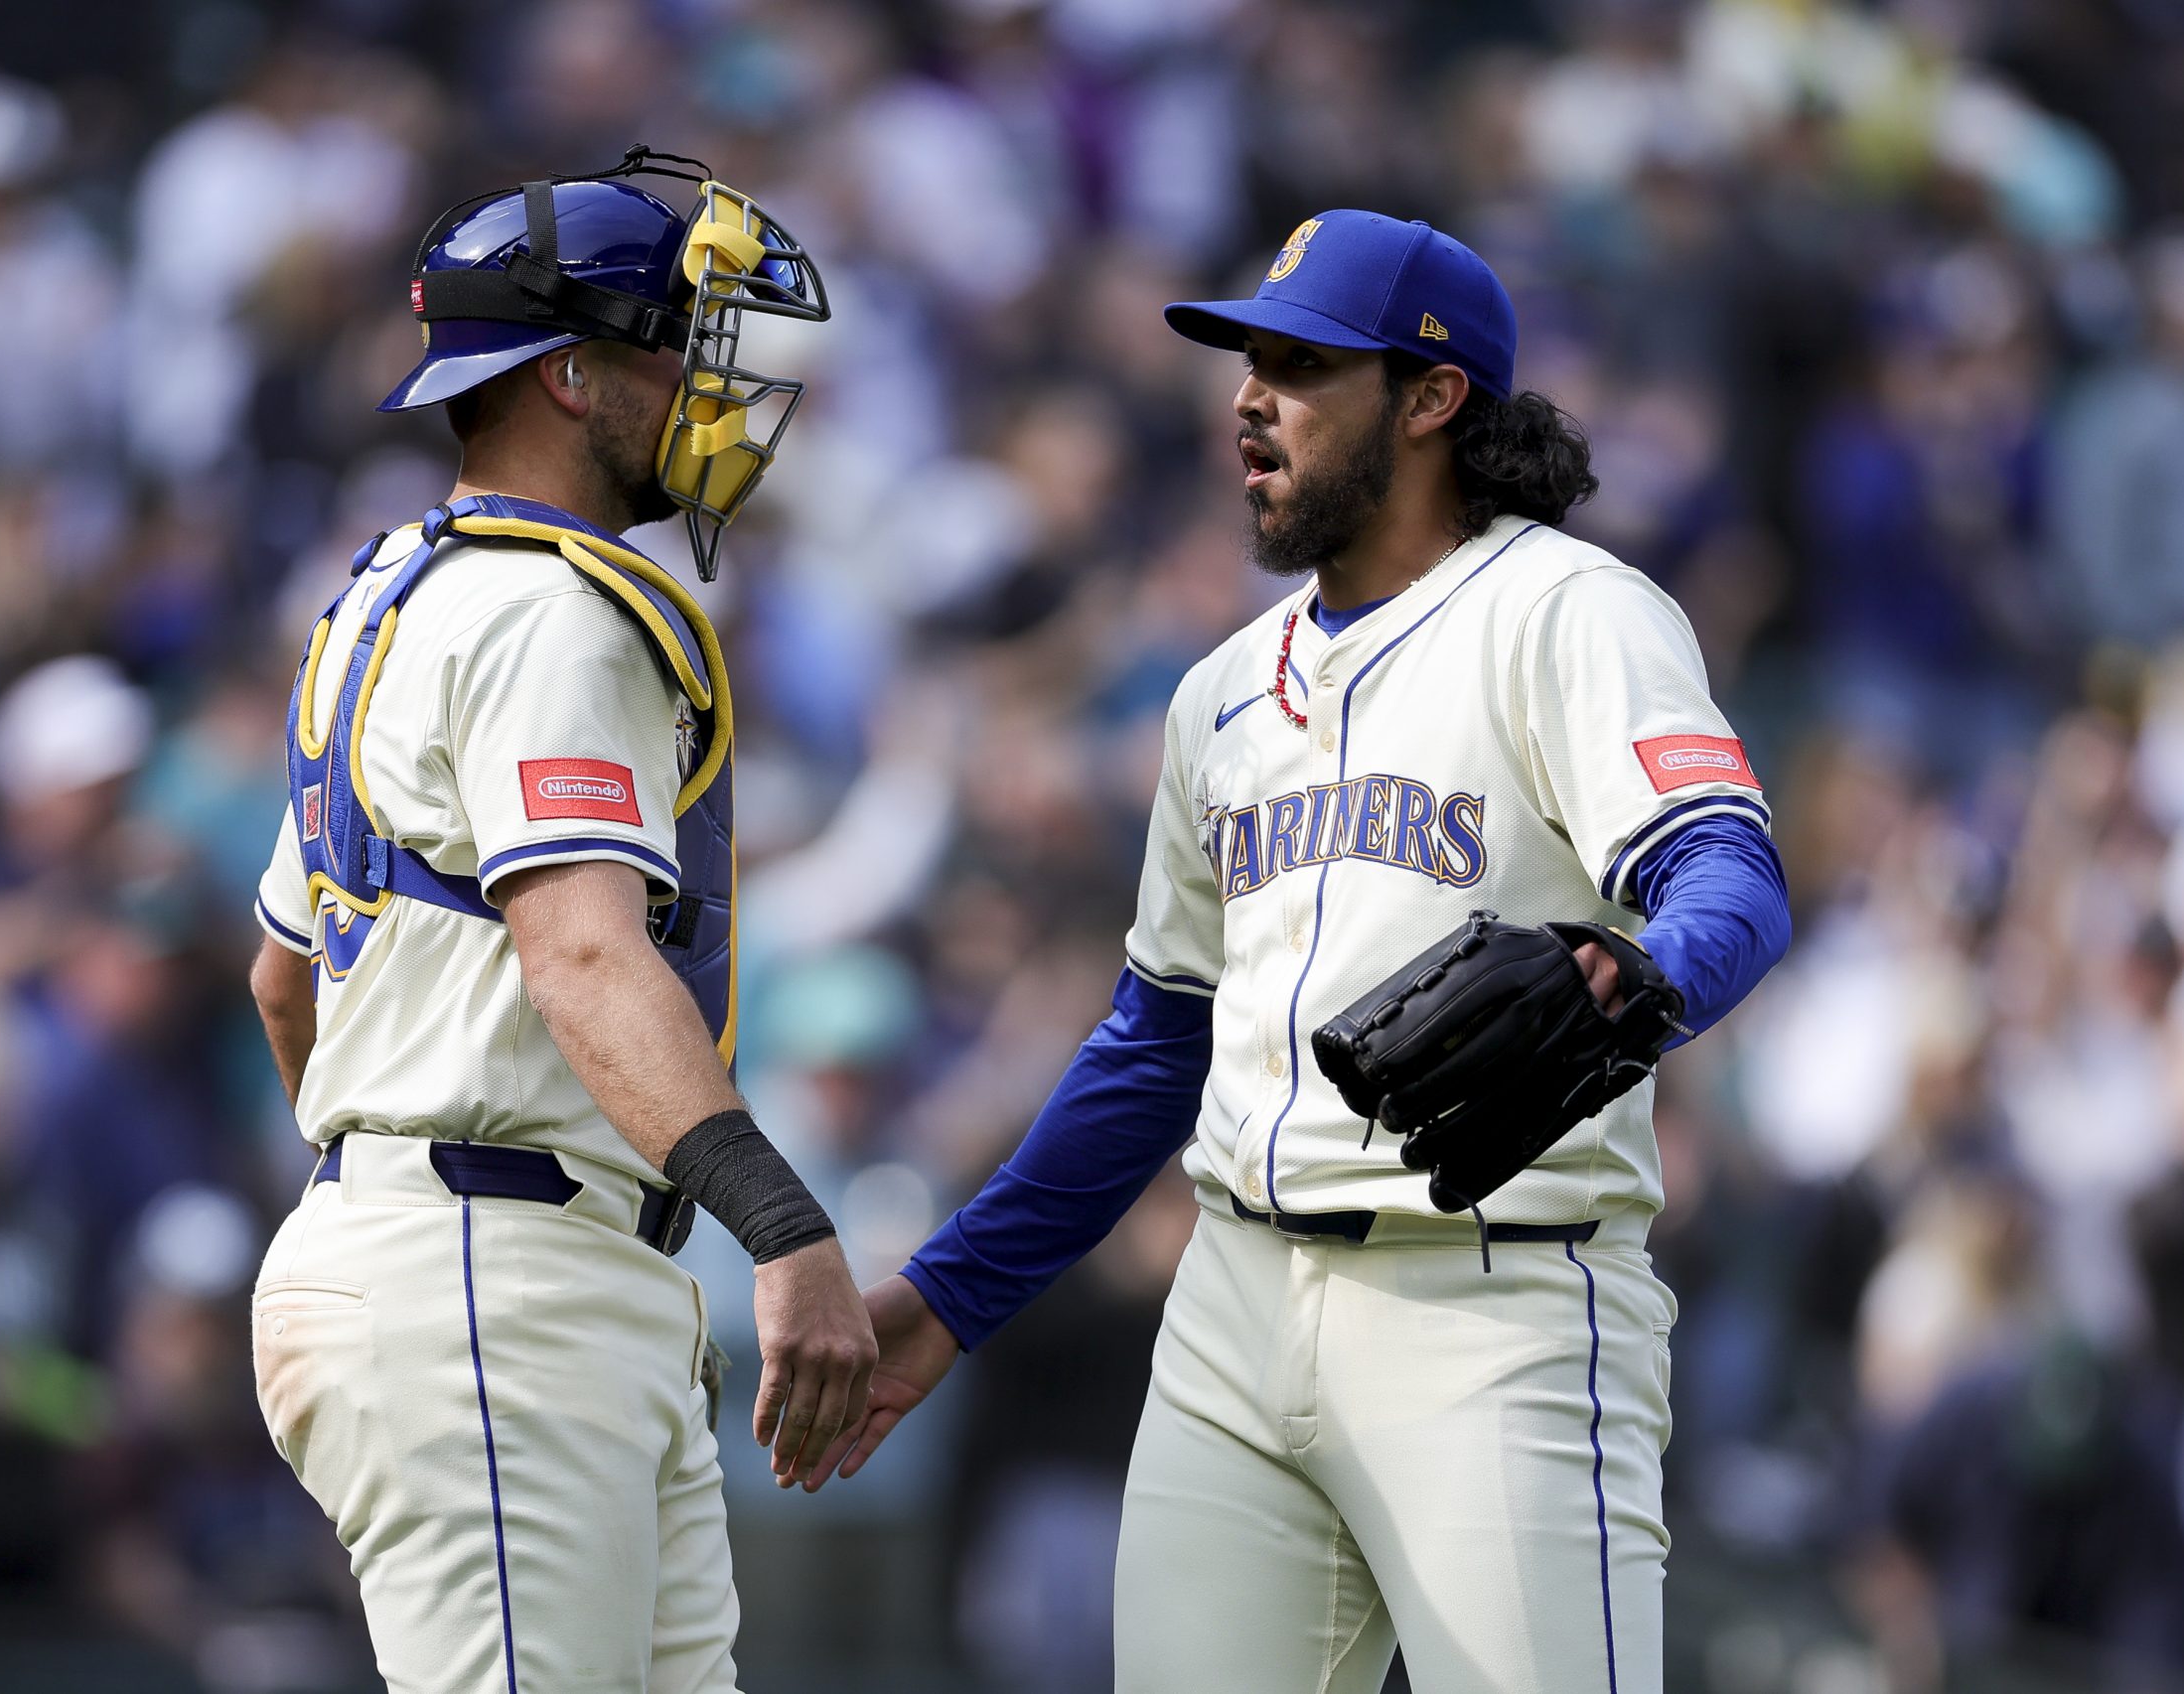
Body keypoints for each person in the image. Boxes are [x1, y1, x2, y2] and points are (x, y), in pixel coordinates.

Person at [817, 212, 1794, 1692]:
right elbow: (1157, 1043)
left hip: (1493, 1307)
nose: (1248, 399)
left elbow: (1730, 872)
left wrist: (1638, 977)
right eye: (1247, 363)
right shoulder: (1217, 694)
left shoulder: (1567, 612)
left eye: (1300, 365)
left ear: (1432, 396)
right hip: (1230, 1313)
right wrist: (955, 1292)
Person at [244, 149, 875, 1694]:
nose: (711, 388)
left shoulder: (397, 593)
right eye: (678, 346)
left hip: (501, 1256)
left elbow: (281, 981)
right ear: (572, 375)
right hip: (496, 1270)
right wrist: (784, 1225)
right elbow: (582, 951)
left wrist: (382, 1183)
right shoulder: (544, 611)